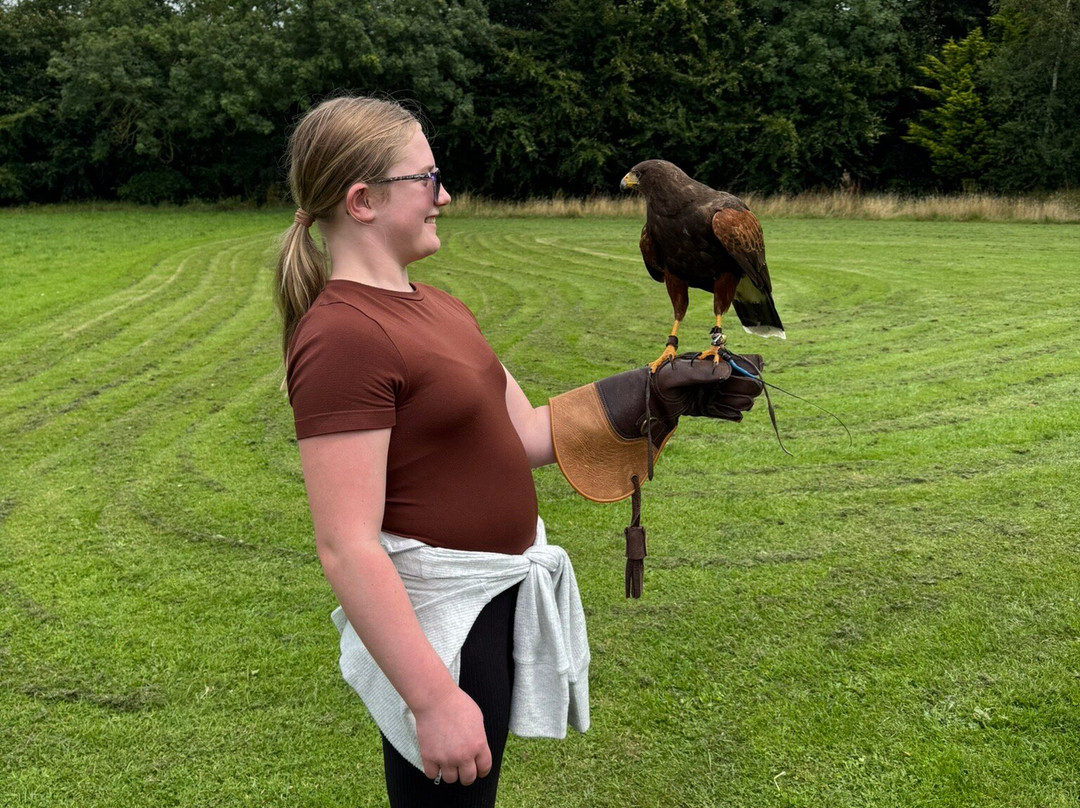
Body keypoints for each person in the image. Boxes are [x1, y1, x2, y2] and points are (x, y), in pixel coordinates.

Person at [274, 95, 765, 808]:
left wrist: (654, 393)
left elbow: (526, 431)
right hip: (434, 625)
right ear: (363, 201)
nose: (445, 195)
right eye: (426, 178)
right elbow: (346, 545)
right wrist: (434, 698)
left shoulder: (436, 305)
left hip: (493, 602)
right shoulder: (343, 335)